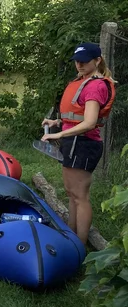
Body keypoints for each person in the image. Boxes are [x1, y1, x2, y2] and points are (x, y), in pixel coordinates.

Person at [41, 42, 115, 244]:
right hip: (74, 141)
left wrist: (58, 135)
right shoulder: (83, 81)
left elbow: (90, 122)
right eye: (77, 62)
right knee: (72, 193)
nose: (79, 65)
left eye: (84, 61)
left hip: (83, 143)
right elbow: (77, 116)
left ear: (97, 60)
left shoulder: (96, 86)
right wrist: (56, 122)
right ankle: (71, 237)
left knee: (80, 196)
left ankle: (79, 245)